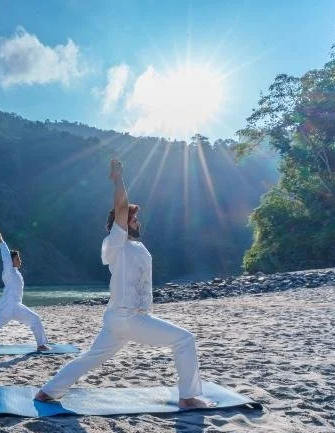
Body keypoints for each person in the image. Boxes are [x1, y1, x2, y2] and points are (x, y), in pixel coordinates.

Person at [35, 159, 214, 409]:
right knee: (184, 340)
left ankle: (48, 391)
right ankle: (188, 397)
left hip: (117, 319)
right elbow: (120, 207)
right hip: (130, 318)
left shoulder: (134, 247)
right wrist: (118, 179)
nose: (136, 222)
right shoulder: (115, 243)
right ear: (120, 225)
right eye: (133, 220)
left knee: (91, 358)